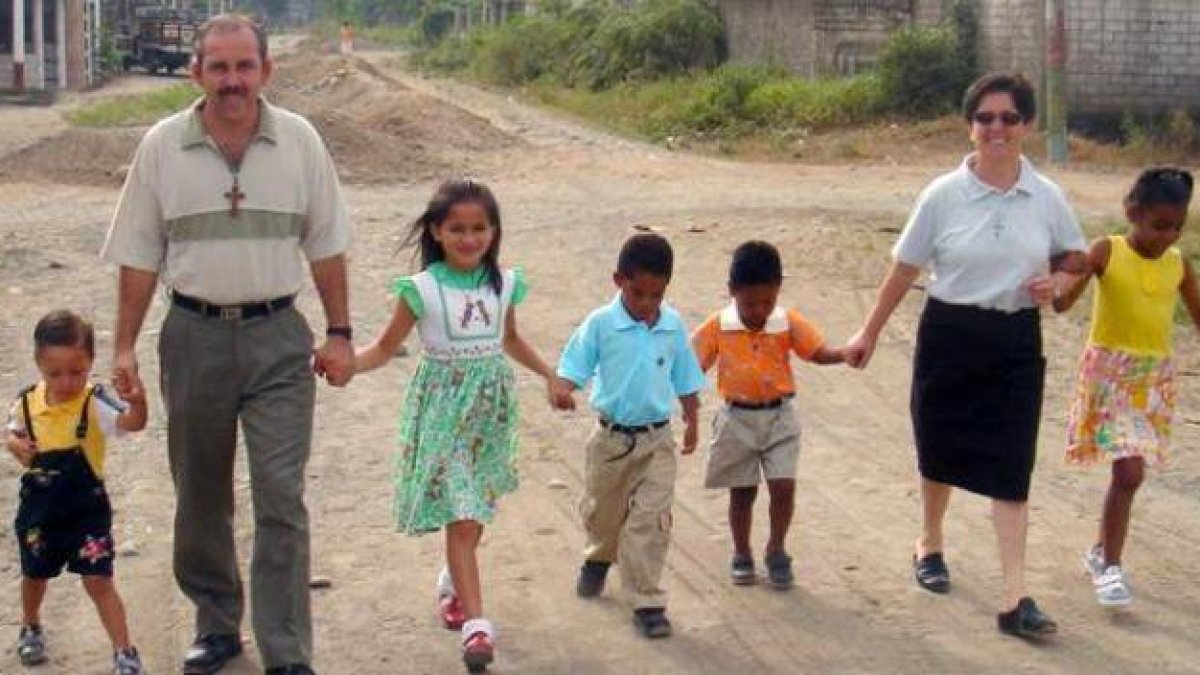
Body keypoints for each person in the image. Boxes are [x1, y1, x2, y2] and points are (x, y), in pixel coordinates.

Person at [100, 13, 353, 675]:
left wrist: (340, 332)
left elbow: (327, 245)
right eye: (219, 67)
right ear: (197, 73)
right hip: (194, 336)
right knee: (200, 490)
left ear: (267, 70)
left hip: (279, 339)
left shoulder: (300, 142)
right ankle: (215, 625)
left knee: (280, 493)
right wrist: (123, 346)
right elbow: (138, 255)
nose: (232, 80)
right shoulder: (162, 146)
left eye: (244, 66)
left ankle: (286, 650)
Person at [844, 72, 1088, 638]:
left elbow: (1077, 258)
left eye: (1009, 118)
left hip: (1015, 341)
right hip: (950, 333)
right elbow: (904, 268)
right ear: (969, 125)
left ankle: (1014, 598)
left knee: (1013, 465)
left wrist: (1057, 280)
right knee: (940, 447)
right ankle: (929, 542)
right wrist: (868, 332)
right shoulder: (942, 195)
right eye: (985, 118)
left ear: (1027, 124)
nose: (997, 128)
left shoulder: (1047, 196)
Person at [354, 178, 563, 673]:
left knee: (475, 510)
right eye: (457, 229)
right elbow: (384, 348)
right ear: (436, 231)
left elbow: (510, 339)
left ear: (494, 231)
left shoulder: (503, 283)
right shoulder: (421, 290)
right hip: (443, 415)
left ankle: (453, 582)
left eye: (479, 228)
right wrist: (346, 365)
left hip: (489, 418)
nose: (469, 239)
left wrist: (549, 375)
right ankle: (476, 628)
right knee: (463, 512)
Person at [1056, 168, 1197, 607]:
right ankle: (1109, 567)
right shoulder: (1108, 250)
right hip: (1109, 377)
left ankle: (1101, 551)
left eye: (1177, 228)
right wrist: (1068, 270)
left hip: (1153, 382)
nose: (1167, 237)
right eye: (1159, 226)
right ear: (1132, 212)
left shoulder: (1178, 265)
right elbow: (1062, 303)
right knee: (1129, 473)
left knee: (1128, 474)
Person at [556, 233, 706, 639]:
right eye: (638, 293)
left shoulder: (672, 326)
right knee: (603, 514)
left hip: (657, 440)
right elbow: (575, 363)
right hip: (610, 441)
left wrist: (692, 419)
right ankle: (598, 556)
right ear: (618, 281)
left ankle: (647, 600)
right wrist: (564, 388)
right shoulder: (601, 324)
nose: (646, 304)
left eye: (656, 295)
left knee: (650, 521)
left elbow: (686, 377)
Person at [691, 241, 847, 589]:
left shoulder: (786, 322)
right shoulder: (719, 326)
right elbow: (691, 365)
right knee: (742, 492)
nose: (760, 310)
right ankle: (741, 552)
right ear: (732, 291)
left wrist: (844, 354)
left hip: (779, 417)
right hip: (736, 418)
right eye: (750, 303)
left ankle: (776, 548)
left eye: (768, 301)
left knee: (783, 486)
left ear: (778, 290)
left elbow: (816, 352)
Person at [4, 311, 148, 674]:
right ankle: (31, 624)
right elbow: (13, 431)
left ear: (90, 363)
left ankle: (124, 651)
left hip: (86, 512)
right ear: (38, 363)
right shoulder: (27, 403)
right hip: (40, 511)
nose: (67, 381)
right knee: (34, 574)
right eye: (55, 373)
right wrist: (15, 443)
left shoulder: (94, 404)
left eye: (76, 372)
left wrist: (138, 402)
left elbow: (132, 423)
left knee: (99, 579)